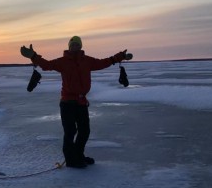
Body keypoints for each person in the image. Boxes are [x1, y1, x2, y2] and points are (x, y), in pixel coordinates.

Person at [20, 36, 132, 168]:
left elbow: (104, 62)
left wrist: (119, 57)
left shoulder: (87, 61)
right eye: (73, 45)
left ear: (81, 46)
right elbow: (47, 65)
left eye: (78, 45)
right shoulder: (62, 61)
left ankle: (78, 155)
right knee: (70, 132)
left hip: (81, 102)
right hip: (67, 102)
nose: (75, 47)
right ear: (69, 46)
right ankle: (71, 161)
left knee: (85, 131)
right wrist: (33, 56)